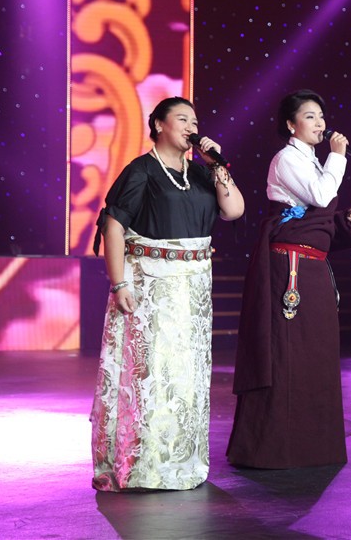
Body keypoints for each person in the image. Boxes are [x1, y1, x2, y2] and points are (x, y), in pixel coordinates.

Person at [90, 96, 245, 491]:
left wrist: (217, 165)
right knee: (153, 373)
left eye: (195, 121)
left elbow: (234, 211)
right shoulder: (141, 170)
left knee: (185, 375)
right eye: (182, 119)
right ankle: (144, 464)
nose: (192, 127)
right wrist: (119, 282)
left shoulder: (201, 173)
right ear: (159, 124)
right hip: (152, 284)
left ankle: (180, 458)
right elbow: (113, 227)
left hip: (193, 288)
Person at [227, 89, 351, 469]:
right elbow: (321, 196)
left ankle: (311, 446)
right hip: (290, 268)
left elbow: (318, 215)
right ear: (291, 125)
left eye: (321, 116)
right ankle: (275, 448)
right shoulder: (286, 159)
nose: (320, 123)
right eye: (309, 116)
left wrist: (344, 221)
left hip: (313, 266)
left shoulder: (314, 162)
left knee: (315, 354)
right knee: (288, 352)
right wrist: (338, 157)